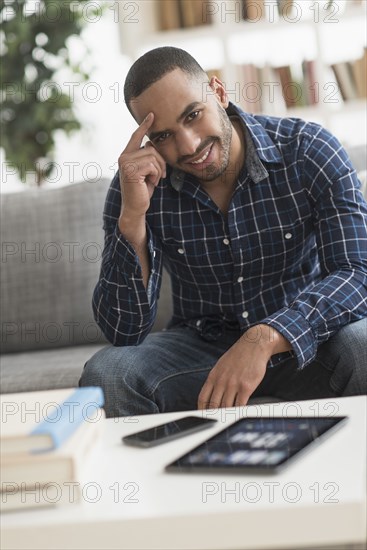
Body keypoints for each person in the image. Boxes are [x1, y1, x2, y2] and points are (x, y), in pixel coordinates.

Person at [79, 46, 367, 418]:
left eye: (193, 115)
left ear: (218, 92)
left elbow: (358, 274)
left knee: (363, 346)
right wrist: (132, 219)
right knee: (109, 373)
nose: (189, 145)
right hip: (202, 351)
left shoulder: (310, 149)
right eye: (164, 136)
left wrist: (264, 337)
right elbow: (124, 331)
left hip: (304, 343)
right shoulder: (136, 187)